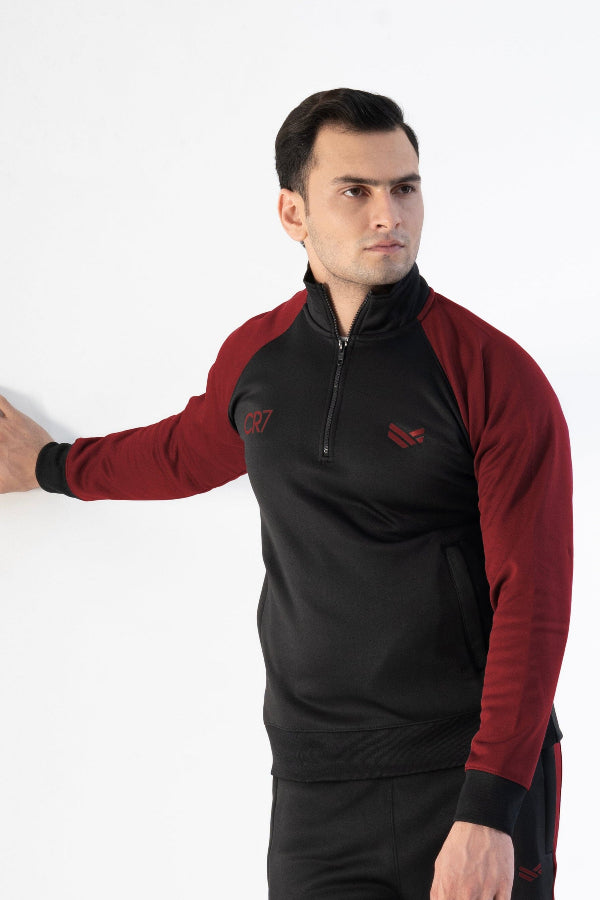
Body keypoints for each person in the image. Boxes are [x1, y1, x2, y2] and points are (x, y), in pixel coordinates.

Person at [0, 88, 572, 899]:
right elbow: (184, 452)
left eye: (405, 187)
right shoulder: (260, 357)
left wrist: (489, 809)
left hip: (465, 779)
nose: (389, 214)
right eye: (355, 190)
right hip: (315, 787)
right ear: (293, 212)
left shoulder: (491, 373)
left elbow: (535, 602)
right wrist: (49, 465)